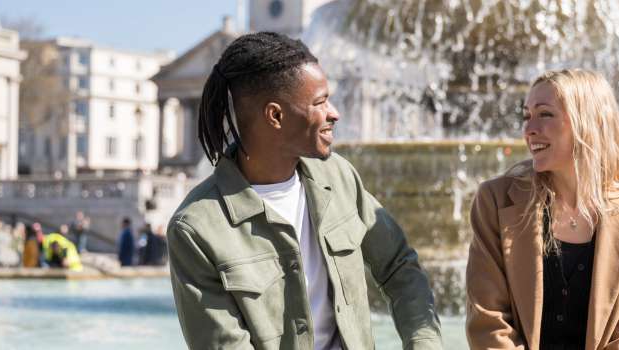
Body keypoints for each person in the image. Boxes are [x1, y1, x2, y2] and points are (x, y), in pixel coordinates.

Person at [167, 32, 441, 350]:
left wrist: (424, 343)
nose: (334, 113)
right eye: (320, 102)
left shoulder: (339, 176)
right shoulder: (195, 229)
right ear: (276, 116)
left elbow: (398, 265)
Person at [466, 69, 619, 350]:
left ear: (588, 122)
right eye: (526, 116)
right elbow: (489, 324)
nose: (529, 129)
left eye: (544, 114)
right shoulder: (496, 201)